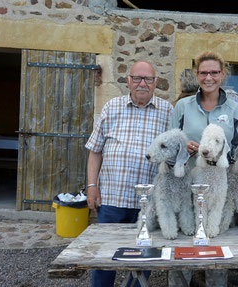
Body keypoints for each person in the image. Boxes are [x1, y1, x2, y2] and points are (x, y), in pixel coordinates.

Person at [169, 51, 238, 286]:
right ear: (197, 75)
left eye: (214, 72)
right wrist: (184, 147)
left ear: (223, 75)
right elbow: (171, 142)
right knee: (183, 248)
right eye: (203, 72)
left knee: (217, 249)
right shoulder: (182, 106)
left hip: (221, 185)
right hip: (187, 184)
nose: (209, 77)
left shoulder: (234, 109)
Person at [85, 60, 173, 287]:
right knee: (105, 258)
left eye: (148, 79)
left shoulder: (167, 112)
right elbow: (95, 151)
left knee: (144, 261)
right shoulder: (111, 107)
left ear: (156, 83)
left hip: (150, 205)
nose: (142, 83)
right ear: (128, 81)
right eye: (137, 78)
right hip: (112, 199)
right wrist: (92, 187)